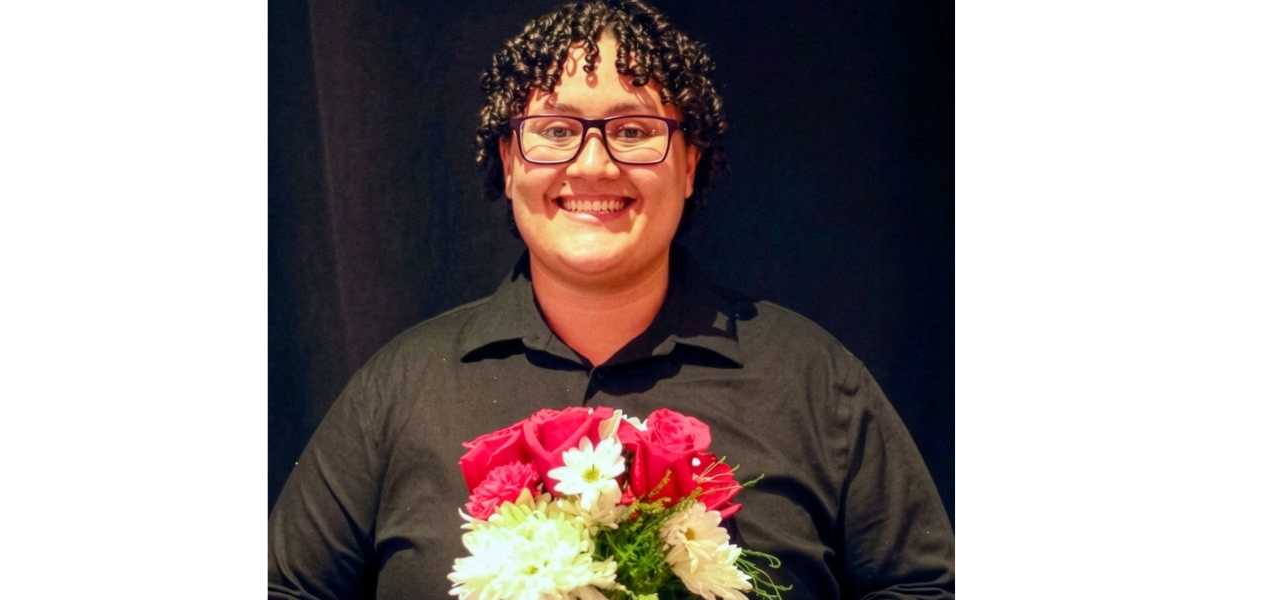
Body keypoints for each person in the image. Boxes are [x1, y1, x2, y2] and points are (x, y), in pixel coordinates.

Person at [268, 1, 954, 598]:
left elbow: (922, 586)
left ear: (689, 165)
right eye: (556, 131)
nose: (592, 164)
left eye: (633, 131)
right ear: (509, 164)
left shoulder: (813, 382)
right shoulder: (401, 388)